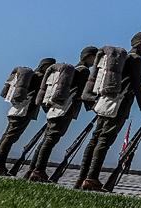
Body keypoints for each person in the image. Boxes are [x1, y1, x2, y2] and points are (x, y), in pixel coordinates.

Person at [76, 32, 141, 191]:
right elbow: (138, 83)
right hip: (119, 105)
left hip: (104, 102)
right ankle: (91, 177)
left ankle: (83, 177)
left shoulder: (122, 59)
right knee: (104, 141)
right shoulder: (135, 59)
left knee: (96, 139)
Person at [26, 46, 97, 182]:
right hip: (66, 109)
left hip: (55, 108)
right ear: (89, 57)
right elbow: (82, 93)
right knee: (51, 140)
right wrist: (94, 105)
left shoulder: (73, 70)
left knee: (47, 139)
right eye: (94, 57)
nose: (95, 61)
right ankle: (38, 170)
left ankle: (33, 169)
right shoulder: (84, 72)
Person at [0, 57, 55, 175]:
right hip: (24, 111)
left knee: (6, 137)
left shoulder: (32, 76)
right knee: (9, 138)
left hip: (15, 110)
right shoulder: (39, 78)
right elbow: (38, 98)